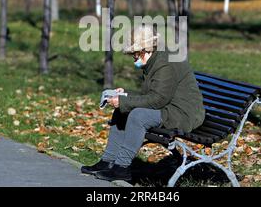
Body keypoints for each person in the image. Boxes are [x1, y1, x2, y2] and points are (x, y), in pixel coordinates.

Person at [81, 24, 205, 182]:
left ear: (146, 49)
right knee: (122, 110)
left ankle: (122, 168)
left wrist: (125, 101)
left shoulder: (164, 64)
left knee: (138, 115)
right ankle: (108, 161)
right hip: (168, 107)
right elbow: (151, 95)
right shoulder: (154, 59)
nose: (134, 58)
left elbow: (157, 99)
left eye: (135, 53)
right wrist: (125, 94)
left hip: (182, 113)